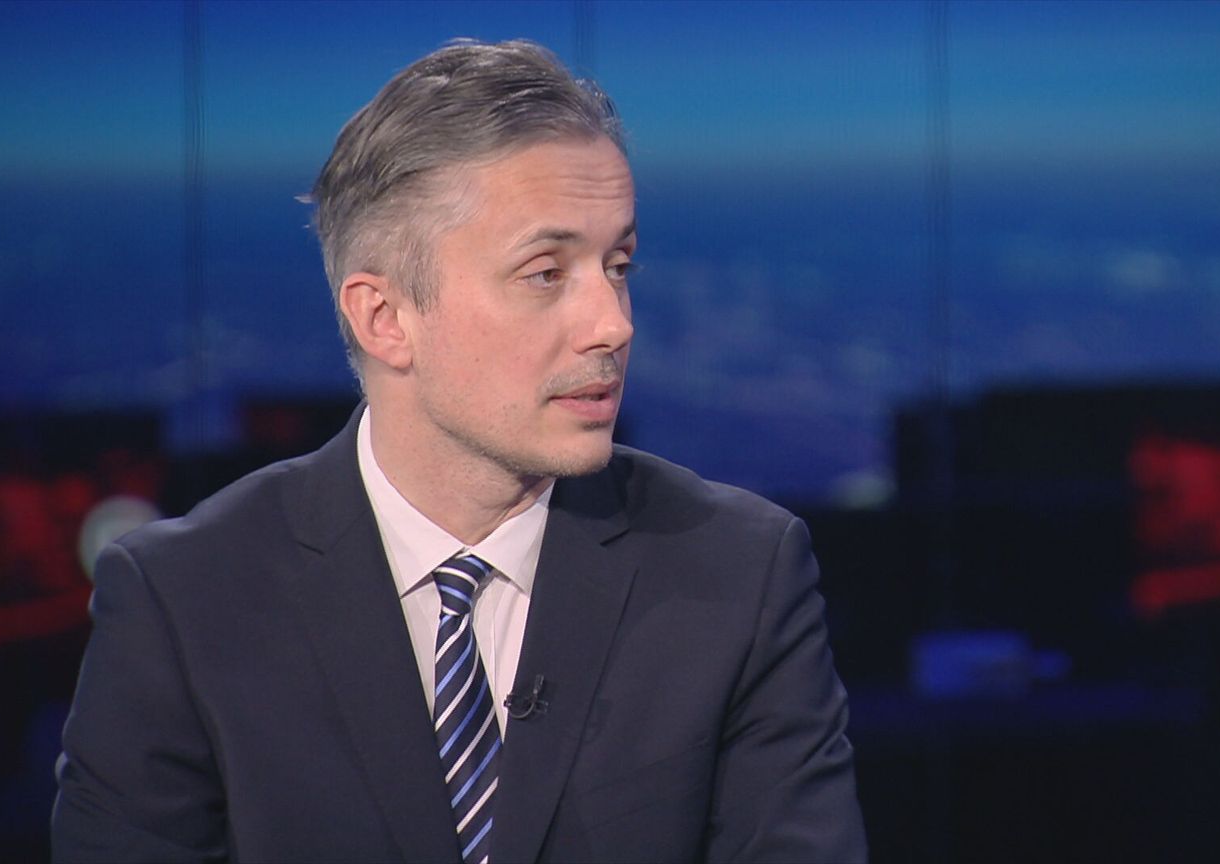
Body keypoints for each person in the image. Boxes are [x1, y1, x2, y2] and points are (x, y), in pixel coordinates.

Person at [52, 39, 866, 863]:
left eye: (617, 265)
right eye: (546, 273)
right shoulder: (183, 603)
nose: (613, 323)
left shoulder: (740, 574)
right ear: (385, 320)